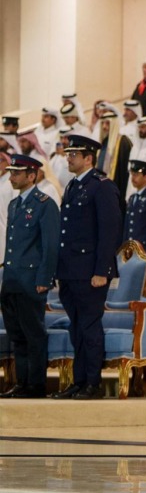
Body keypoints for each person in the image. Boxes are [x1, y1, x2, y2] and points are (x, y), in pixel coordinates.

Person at [51, 134, 121, 401]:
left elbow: (109, 231)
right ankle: (79, 381)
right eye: (68, 154)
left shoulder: (100, 185)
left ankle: (93, 382)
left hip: (91, 271)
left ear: (88, 157)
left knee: (90, 327)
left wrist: (101, 271)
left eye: (73, 155)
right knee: (77, 327)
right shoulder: (73, 186)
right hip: (71, 270)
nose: (69, 158)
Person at [0, 155, 59, 399]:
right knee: (17, 335)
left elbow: (50, 245)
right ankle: (22, 382)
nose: (12, 176)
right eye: (11, 172)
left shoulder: (45, 204)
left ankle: (35, 384)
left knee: (33, 333)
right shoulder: (14, 204)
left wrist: (44, 279)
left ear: (31, 175)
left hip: (32, 280)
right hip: (13, 279)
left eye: (17, 172)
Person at [122, 159, 146, 252]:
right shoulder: (132, 198)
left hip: (142, 249)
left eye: (136, 175)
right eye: (132, 174)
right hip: (129, 249)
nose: (133, 178)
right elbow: (127, 227)